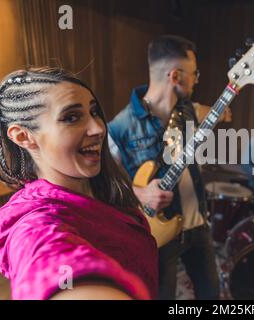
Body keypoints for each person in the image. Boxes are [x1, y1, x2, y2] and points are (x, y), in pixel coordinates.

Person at [0, 68, 158, 300]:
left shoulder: (99, 187)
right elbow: (50, 258)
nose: (98, 128)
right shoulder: (35, 224)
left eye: (93, 112)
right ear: (23, 136)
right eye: (71, 117)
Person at [108, 35, 220, 300]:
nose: (196, 80)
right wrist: (139, 193)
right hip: (160, 237)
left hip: (199, 225)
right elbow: (104, 189)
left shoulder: (187, 111)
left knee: (211, 295)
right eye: (194, 74)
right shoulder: (119, 128)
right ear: (175, 76)